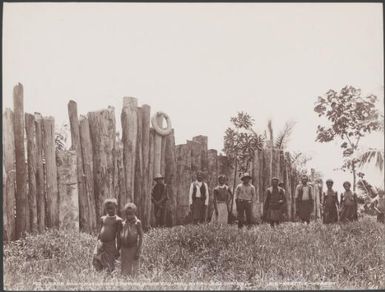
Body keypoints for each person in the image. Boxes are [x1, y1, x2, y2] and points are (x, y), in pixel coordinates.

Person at [92, 198, 122, 273]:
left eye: (112, 208)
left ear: (116, 207)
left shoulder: (118, 220)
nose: (110, 210)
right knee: (97, 259)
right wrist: (97, 242)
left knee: (109, 262)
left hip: (110, 245)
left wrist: (118, 249)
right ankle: (98, 274)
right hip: (101, 243)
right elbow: (100, 231)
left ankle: (109, 276)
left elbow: (118, 236)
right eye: (108, 209)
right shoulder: (103, 218)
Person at [119, 202, 144, 277]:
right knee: (124, 268)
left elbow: (141, 236)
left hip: (133, 248)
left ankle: (134, 283)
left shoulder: (137, 223)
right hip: (124, 249)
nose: (128, 216)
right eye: (127, 214)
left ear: (134, 213)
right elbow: (120, 235)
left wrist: (138, 250)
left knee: (134, 268)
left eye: (131, 214)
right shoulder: (123, 223)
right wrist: (119, 247)